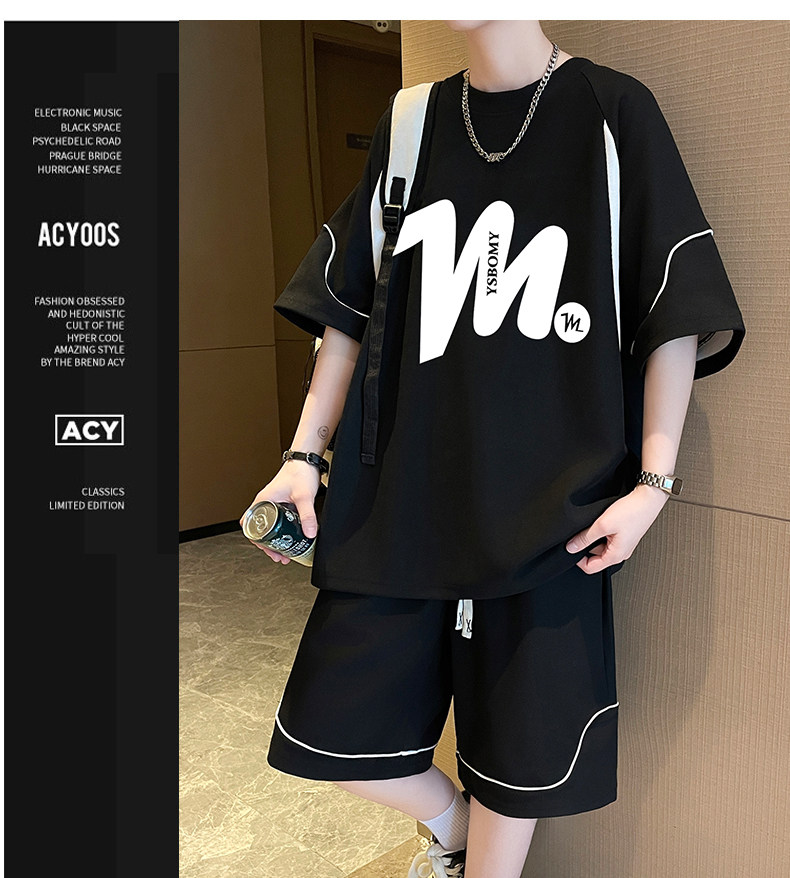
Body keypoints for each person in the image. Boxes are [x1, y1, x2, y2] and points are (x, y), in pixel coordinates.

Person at [241, 20, 746, 878]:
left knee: (523, 754)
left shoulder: (612, 112)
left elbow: (673, 308)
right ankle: (452, 830)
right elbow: (350, 308)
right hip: (398, 497)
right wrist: (303, 457)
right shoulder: (411, 122)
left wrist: (652, 485)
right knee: (336, 727)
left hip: (553, 504)